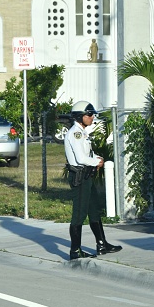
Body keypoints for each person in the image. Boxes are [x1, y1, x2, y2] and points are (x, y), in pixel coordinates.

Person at [65, 101, 122, 260]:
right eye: (89, 114)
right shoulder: (75, 133)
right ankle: (75, 251)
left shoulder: (82, 132)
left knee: (94, 211)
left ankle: (102, 244)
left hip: (87, 176)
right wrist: (96, 162)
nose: (92, 117)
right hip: (80, 177)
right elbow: (80, 158)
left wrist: (96, 158)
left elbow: (86, 154)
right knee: (79, 215)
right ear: (79, 116)